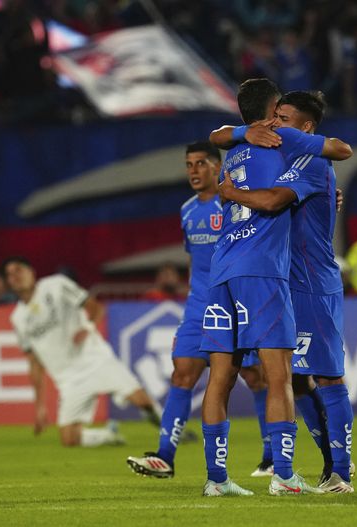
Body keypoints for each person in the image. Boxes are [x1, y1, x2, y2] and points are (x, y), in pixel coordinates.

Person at [199, 78, 351, 497]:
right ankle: (288, 472)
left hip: (259, 274)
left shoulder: (255, 150)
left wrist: (231, 186)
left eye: (284, 117)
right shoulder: (273, 143)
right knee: (285, 377)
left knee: (230, 376)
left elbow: (216, 136)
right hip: (267, 274)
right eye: (275, 114)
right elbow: (337, 151)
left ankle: (220, 478)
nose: (276, 121)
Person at [125, 141, 275, 479]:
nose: (193, 170)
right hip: (199, 305)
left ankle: (269, 457)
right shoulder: (187, 210)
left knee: (254, 377)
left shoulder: (237, 203)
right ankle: (165, 457)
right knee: (183, 374)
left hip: (237, 301)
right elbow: (196, 260)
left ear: (217, 167)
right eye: (189, 165)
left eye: (200, 164)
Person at [3, 256, 162, 447]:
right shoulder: (18, 318)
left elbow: (95, 308)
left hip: (95, 359)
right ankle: (108, 435)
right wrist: (40, 407)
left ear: (31, 272)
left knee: (141, 401)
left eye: (19, 270)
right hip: (69, 379)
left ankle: (169, 428)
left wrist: (87, 328)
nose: (15, 277)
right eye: (10, 275)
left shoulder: (57, 285)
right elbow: (34, 363)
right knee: (69, 439)